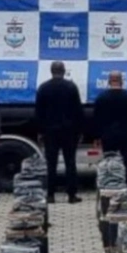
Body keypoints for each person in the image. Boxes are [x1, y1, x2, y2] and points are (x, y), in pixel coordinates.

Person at [34, 61, 85, 204]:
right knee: (70, 163)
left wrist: (40, 131)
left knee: (51, 164)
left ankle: (50, 195)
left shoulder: (43, 88)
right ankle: (71, 195)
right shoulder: (71, 87)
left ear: (52, 71)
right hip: (69, 131)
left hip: (50, 132)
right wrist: (80, 130)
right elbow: (78, 111)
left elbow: (39, 112)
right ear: (63, 71)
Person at [92, 70, 127, 193]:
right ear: (121, 81)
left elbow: (97, 119)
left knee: (109, 162)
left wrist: (96, 137)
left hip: (108, 136)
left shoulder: (101, 98)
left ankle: (109, 189)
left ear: (109, 81)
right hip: (126, 135)